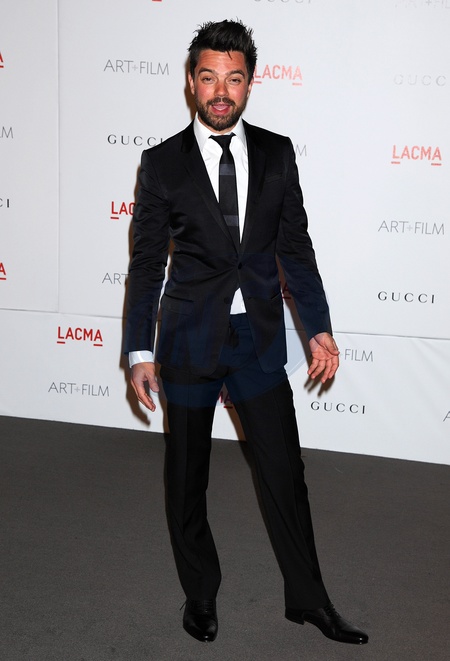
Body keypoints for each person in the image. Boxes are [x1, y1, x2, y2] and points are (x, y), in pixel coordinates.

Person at [124, 19, 368, 646]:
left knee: (284, 471)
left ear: (250, 83)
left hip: (255, 339)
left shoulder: (278, 153)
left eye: (233, 79)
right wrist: (140, 349)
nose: (220, 91)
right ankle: (201, 593)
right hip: (187, 340)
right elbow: (147, 263)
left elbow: (296, 247)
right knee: (187, 475)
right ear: (191, 82)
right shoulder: (162, 163)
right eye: (209, 77)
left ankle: (309, 600)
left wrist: (316, 328)